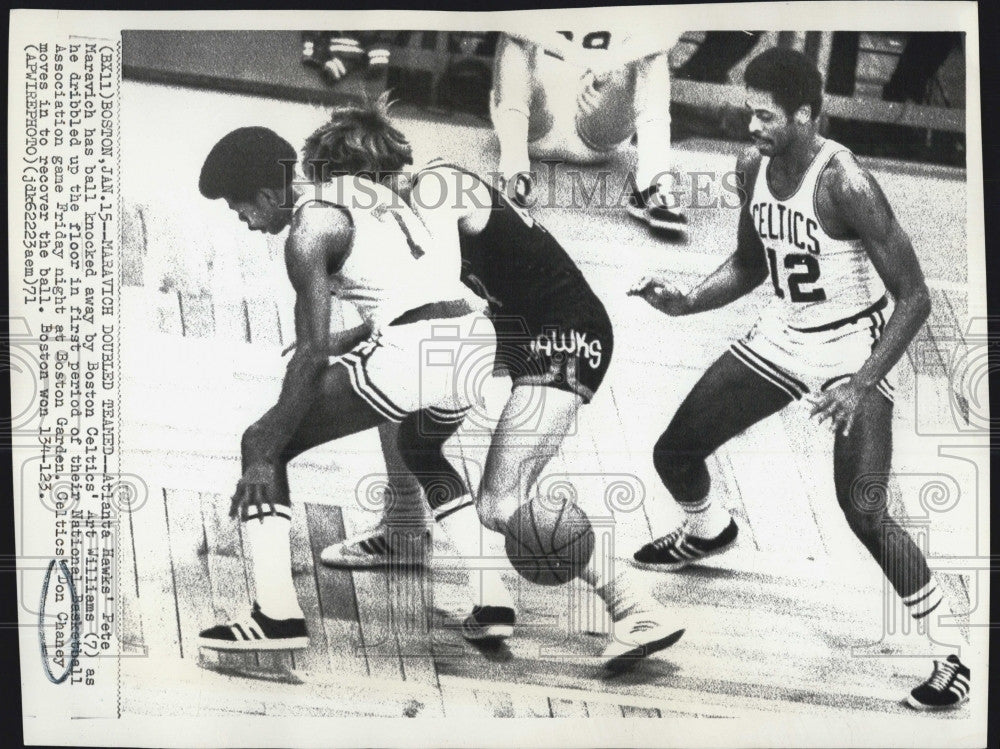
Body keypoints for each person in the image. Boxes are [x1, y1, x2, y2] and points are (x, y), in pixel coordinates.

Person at [627, 47, 970, 710]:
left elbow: (916, 297)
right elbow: (750, 264)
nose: (751, 125)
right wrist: (687, 299)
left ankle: (948, 650)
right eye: (749, 111)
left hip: (852, 350)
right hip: (784, 335)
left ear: (806, 115)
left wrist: (862, 382)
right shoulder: (752, 164)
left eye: (765, 115)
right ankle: (707, 529)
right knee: (674, 450)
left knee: (863, 510)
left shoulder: (847, 181)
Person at [305, 99, 684, 670]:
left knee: (501, 501)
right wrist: (341, 339)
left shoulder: (435, 194)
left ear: (358, 182)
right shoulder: (412, 200)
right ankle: (407, 529)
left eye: (336, 192)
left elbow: (430, 300)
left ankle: (638, 606)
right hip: (510, 328)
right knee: (408, 420)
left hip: (564, 336)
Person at [195, 124, 496, 650]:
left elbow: (309, 357)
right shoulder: (360, 188)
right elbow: (418, 287)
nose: (244, 222)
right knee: (422, 450)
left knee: (262, 442)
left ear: (269, 195)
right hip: (475, 339)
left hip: (417, 351)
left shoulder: (307, 233)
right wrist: (353, 337)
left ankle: (276, 617)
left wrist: (269, 447)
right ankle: (490, 595)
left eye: (238, 208)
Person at [490, 30, 687, 238]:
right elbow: (506, 19)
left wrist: (609, 62)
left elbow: (666, 35)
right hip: (533, 118)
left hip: (598, 118)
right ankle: (514, 175)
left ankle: (653, 187)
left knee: (653, 51)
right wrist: (577, 56)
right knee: (513, 37)